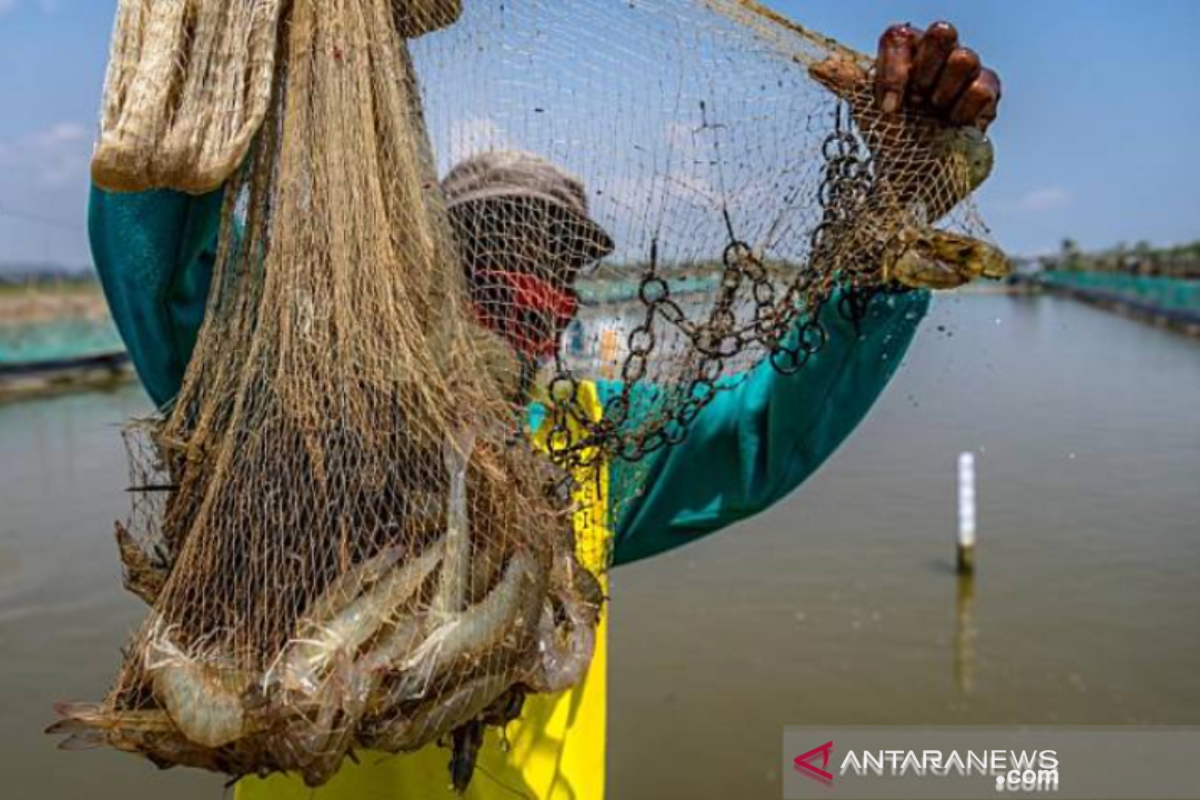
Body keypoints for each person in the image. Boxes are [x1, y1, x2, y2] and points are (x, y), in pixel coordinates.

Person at [88, 20, 1000, 800]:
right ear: (422, 261)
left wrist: (894, 204)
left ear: (569, 298)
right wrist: (210, 41)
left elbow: (765, 433)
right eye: (493, 245)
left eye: (555, 263)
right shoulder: (299, 398)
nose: (530, 284)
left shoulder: (596, 441)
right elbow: (164, 274)